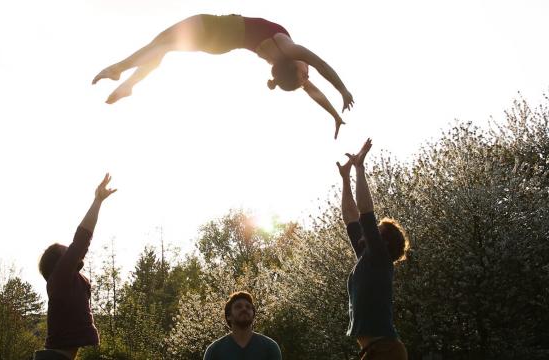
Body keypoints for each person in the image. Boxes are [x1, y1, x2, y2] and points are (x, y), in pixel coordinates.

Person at [92, 14, 354, 139]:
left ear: (296, 68)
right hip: (219, 45)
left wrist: (342, 90)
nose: (307, 71)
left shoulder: (287, 49)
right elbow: (312, 91)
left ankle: (119, 69)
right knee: (163, 49)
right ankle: (129, 84)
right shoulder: (280, 62)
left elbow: (319, 64)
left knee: (160, 45)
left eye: (304, 71)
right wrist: (334, 115)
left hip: (214, 28)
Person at [336, 139, 410, 360]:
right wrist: (345, 180)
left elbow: (365, 211)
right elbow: (351, 218)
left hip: (386, 350)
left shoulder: (380, 257)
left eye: (375, 231)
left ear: (383, 241)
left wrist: (359, 169)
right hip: (373, 351)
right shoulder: (367, 258)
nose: (368, 232)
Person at [33, 174, 117, 360]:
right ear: (59, 263)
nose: (72, 253)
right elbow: (81, 240)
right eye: (67, 252)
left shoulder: (69, 283)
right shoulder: (59, 279)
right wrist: (97, 201)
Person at [203, 291, 281, 360]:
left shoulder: (270, 347)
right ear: (228, 316)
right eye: (238, 307)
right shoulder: (214, 350)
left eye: (248, 307)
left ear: (253, 315)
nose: (244, 309)